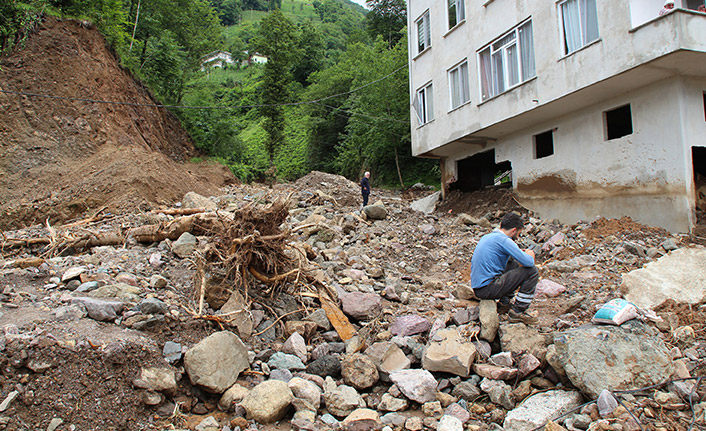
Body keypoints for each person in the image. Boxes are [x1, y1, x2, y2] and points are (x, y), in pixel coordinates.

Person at [470, 212, 539, 324]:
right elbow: (529, 262)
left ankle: (504, 303)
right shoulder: (504, 240)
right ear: (513, 230)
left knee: (513, 262)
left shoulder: (489, 237)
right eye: (518, 234)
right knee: (532, 271)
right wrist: (530, 255)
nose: (517, 237)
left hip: (480, 288)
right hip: (488, 289)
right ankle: (518, 311)